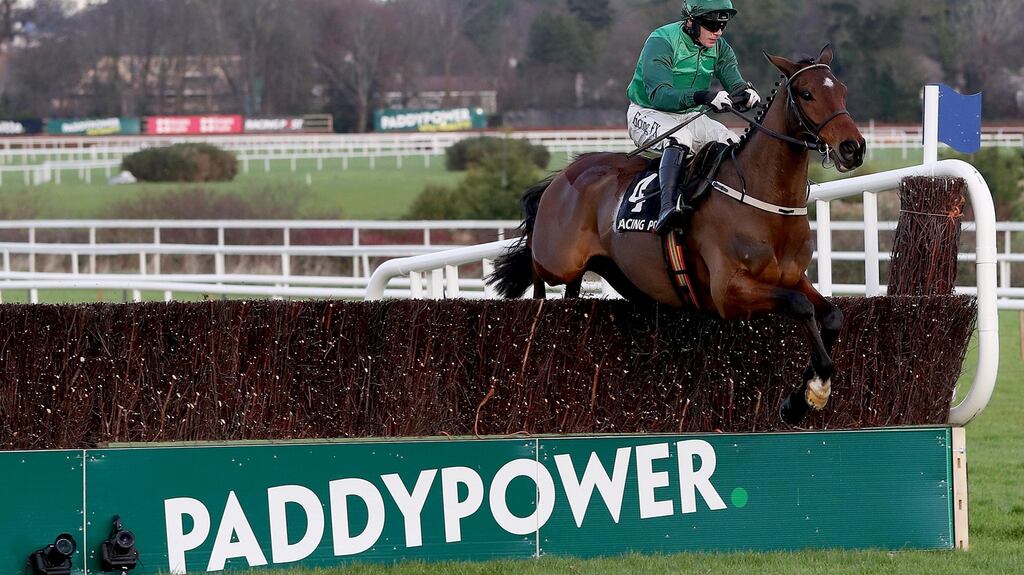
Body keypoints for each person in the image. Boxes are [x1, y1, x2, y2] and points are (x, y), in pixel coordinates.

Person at [626, 0, 760, 233]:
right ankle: (667, 208)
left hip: (689, 115)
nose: (717, 32)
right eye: (711, 25)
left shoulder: (720, 47)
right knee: (681, 138)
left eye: (722, 26)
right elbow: (659, 95)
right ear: (691, 21)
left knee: (731, 141)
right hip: (648, 111)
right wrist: (704, 96)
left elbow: (733, 79)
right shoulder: (661, 41)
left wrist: (745, 92)